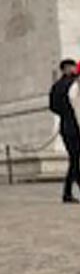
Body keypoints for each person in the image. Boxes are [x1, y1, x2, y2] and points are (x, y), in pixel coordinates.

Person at [49, 59, 80, 203]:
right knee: (75, 160)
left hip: (65, 125)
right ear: (67, 68)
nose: (75, 69)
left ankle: (68, 192)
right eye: (73, 67)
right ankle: (67, 193)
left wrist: (64, 113)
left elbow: (53, 107)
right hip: (75, 125)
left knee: (74, 159)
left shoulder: (56, 86)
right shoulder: (73, 84)